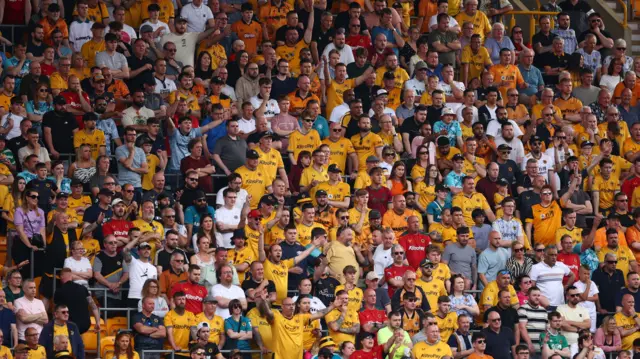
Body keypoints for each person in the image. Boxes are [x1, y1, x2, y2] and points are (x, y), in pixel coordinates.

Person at [53, 268, 100, 335]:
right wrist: (98, 322)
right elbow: (94, 307)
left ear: (62, 277)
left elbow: (55, 312)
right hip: (84, 325)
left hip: (69, 326)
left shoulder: (59, 291)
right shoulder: (83, 288)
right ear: (71, 276)